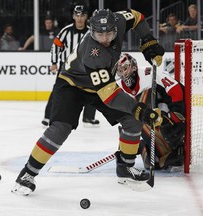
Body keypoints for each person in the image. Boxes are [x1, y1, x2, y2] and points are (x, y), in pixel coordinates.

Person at [11, 8, 165, 196]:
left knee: (132, 120)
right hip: (72, 85)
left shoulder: (118, 20)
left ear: (115, 28)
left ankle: (126, 168)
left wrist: (147, 40)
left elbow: (138, 17)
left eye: (109, 33)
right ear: (92, 32)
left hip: (101, 85)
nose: (105, 38)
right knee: (60, 128)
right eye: (99, 34)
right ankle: (27, 174)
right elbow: (109, 95)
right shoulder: (93, 53)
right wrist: (138, 109)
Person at [114, 53, 185, 170]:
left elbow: (176, 90)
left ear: (134, 66)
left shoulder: (150, 74)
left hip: (162, 114)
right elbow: (118, 117)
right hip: (143, 125)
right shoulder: (117, 88)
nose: (124, 73)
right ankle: (143, 146)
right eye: (120, 71)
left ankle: (163, 147)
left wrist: (174, 116)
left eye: (125, 68)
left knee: (173, 156)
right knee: (155, 164)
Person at [41, 1, 100, 127]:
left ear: (86, 17)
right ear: (73, 16)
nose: (79, 18)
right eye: (77, 15)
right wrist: (54, 62)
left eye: (82, 15)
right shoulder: (65, 31)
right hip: (66, 67)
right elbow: (56, 47)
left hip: (85, 67)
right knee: (58, 91)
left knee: (92, 90)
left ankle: (88, 118)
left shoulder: (91, 33)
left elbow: (96, 49)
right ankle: (48, 116)